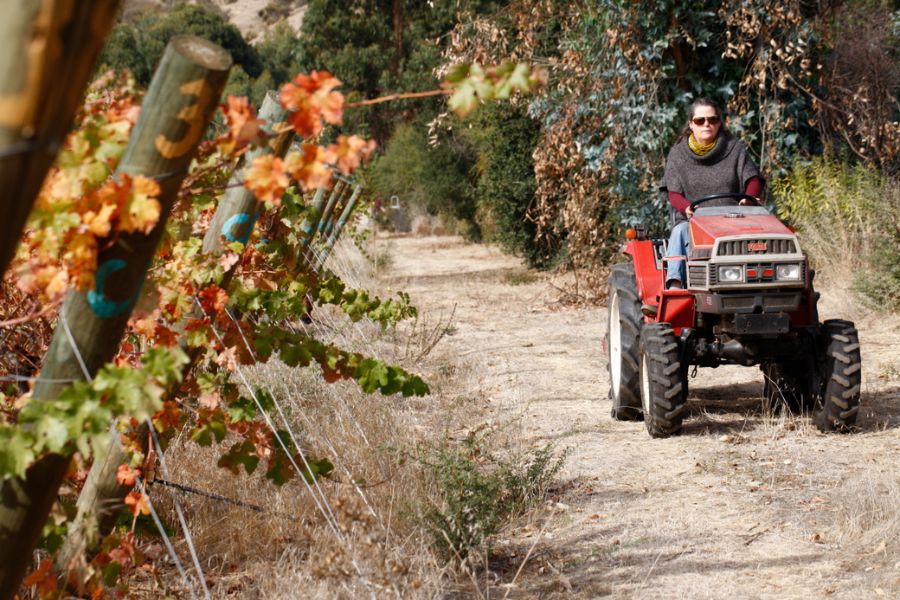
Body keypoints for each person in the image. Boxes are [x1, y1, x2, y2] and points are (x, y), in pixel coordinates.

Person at [662, 98, 763, 289]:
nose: (707, 124)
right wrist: (686, 207)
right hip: (694, 221)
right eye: (700, 120)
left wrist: (748, 198)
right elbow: (673, 192)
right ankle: (675, 283)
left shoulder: (734, 149)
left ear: (719, 123)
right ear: (691, 124)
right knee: (680, 231)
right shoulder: (677, 155)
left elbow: (753, 179)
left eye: (712, 120)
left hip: (734, 218)